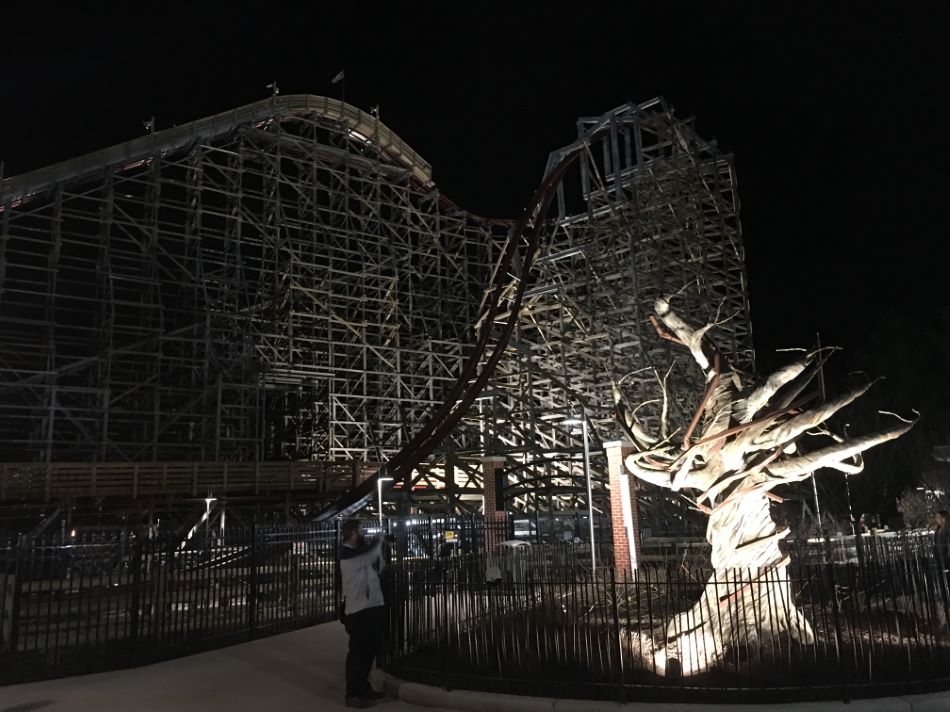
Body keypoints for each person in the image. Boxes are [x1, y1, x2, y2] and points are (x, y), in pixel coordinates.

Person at [339, 520, 387, 708]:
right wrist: (377, 542)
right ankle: (352, 693)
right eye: (360, 531)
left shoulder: (359, 552)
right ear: (352, 534)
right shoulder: (347, 555)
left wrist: (380, 551)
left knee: (369, 650)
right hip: (358, 610)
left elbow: (377, 567)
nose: (362, 533)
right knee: (358, 654)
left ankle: (363, 688)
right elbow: (367, 558)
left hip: (372, 605)